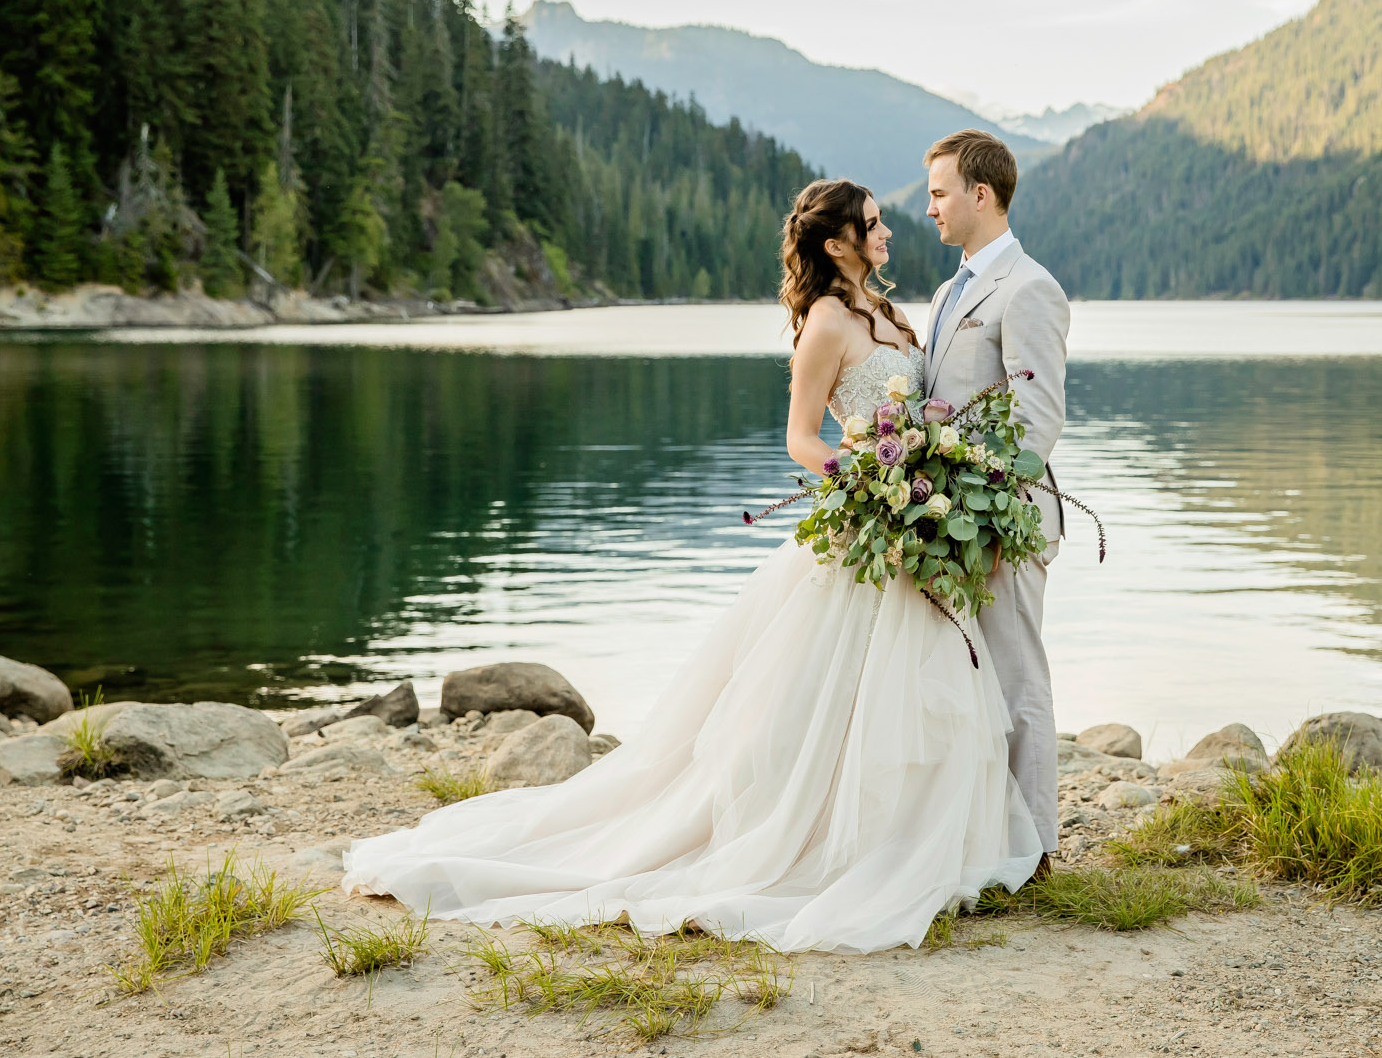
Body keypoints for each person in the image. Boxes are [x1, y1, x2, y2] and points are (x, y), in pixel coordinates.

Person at [342, 177, 1041, 954]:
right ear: (836, 243)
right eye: (871, 225)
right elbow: (803, 438)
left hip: (907, 536)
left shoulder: (891, 311)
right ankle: (822, 845)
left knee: (917, 695)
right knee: (819, 705)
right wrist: (866, 480)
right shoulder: (826, 321)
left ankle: (911, 836)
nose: (887, 233)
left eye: (881, 222)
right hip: (866, 530)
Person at [921, 129, 1072, 878]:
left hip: (1005, 523)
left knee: (1016, 680)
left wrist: (986, 511)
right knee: (967, 683)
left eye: (941, 193)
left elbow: (1036, 421)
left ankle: (1036, 849)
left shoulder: (1029, 287)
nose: (929, 208)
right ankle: (985, 836)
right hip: (953, 520)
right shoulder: (949, 292)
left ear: (981, 194)